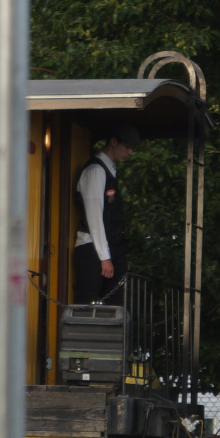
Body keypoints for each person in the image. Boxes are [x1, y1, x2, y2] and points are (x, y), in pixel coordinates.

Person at [73, 123, 140, 303]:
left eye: (132, 148)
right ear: (113, 142)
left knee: (113, 305)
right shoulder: (95, 170)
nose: (130, 152)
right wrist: (104, 257)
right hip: (93, 248)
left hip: (110, 247)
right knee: (89, 304)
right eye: (127, 147)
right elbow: (94, 216)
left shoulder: (109, 170)